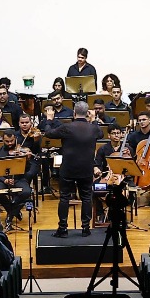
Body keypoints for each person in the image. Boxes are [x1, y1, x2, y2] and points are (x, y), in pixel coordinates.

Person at [44, 101, 104, 236]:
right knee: (86, 197)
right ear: (87, 113)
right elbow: (100, 134)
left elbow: (48, 133)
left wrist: (49, 119)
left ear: (74, 112)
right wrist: (94, 120)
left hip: (68, 168)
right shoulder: (93, 128)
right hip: (86, 168)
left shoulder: (67, 127)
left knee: (64, 198)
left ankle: (63, 228)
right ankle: (85, 228)